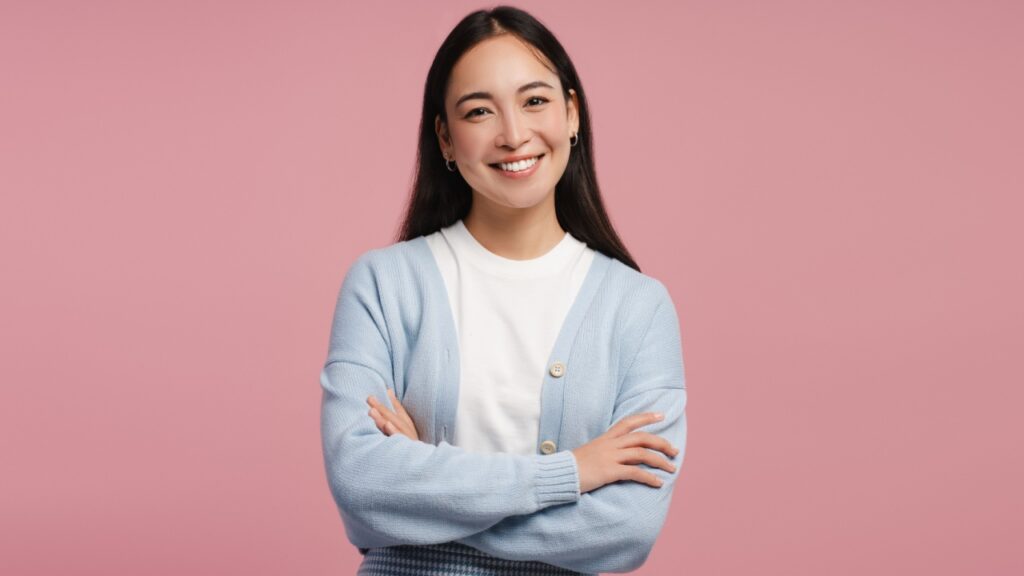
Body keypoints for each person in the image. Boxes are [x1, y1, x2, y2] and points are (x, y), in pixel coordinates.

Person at [319, 6, 687, 575]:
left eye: (535, 101)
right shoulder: (384, 285)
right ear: (445, 137)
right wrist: (572, 473)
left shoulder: (637, 308)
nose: (514, 134)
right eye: (478, 111)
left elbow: (628, 529)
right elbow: (362, 486)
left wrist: (424, 495)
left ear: (572, 114)